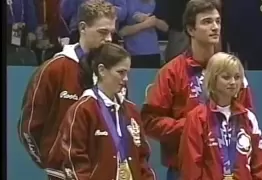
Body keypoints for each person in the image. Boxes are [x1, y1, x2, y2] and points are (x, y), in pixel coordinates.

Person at [140, 0, 253, 179]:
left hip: (228, 169)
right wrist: (192, 127)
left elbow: (247, 118)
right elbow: (150, 121)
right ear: (191, 30)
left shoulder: (232, 70)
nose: (215, 27)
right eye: (207, 22)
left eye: (217, 21)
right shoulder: (172, 72)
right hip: (183, 170)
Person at [17, 1, 117, 179]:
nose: (109, 39)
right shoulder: (55, 69)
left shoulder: (114, 72)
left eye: (111, 33)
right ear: (83, 27)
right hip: (63, 174)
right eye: (102, 32)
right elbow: (29, 126)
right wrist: (51, 162)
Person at [59, 43, 155, 180]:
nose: (126, 79)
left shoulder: (131, 110)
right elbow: (75, 160)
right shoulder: (83, 110)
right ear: (102, 70)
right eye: (120, 72)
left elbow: (142, 157)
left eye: (127, 73)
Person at [179, 52, 262, 180]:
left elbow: (260, 164)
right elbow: (191, 168)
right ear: (213, 79)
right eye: (226, 77)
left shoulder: (248, 117)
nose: (233, 82)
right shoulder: (197, 118)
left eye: (237, 77)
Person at [118, 0, 168, 68]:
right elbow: (121, 32)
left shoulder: (157, 3)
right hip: (133, 54)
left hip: (154, 53)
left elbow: (166, 27)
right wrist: (145, 24)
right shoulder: (127, 3)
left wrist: (155, 21)